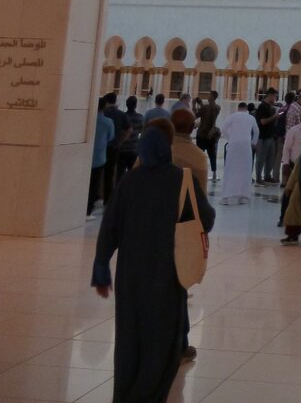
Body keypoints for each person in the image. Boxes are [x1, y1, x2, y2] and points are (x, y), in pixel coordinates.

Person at [91, 123, 215, 402]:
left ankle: (125, 394)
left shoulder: (128, 181)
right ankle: (148, 394)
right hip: (166, 274)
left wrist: (100, 267)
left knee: (129, 337)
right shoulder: (181, 180)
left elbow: (109, 227)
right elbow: (206, 220)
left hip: (130, 276)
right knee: (163, 340)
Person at [219, 102, 258, 205]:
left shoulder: (232, 116)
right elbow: (256, 131)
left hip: (233, 145)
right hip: (246, 146)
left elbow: (223, 129)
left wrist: (230, 138)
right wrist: (253, 143)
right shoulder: (250, 118)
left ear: (238, 108)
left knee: (230, 169)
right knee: (245, 169)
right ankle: (244, 195)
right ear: (246, 109)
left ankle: (227, 195)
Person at [171, 107, 210, 194]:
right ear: (193, 127)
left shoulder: (155, 151)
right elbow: (201, 195)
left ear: (171, 125)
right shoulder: (199, 157)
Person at [88, 98, 115, 218]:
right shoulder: (108, 122)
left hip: (86, 156)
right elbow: (111, 137)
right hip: (99, 157)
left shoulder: (89, 119)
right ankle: (88, 210)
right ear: (105, 106)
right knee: (95, 183)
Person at [102, 92, 127, 203]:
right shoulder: (121, 114)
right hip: (114, 148)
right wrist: (120, 141)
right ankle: (107, 199)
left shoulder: (103, 113)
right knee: (110, 173)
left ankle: (96, 196)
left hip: (101, 148)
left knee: (97, 173)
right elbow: (129, 129)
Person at [115, 96, 144, 183]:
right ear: (135, 105)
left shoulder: (122, 117)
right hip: (134, 149)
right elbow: (141, 130)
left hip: (122, 149)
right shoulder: (140, 117)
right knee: (133, 174)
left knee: (119, 173)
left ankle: (118, 190)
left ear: (126, 105)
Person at [254, 88, 279, 184]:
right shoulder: (262, 107)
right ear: (270, 95)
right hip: (263, 136)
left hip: (270, 135)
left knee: (270, 157)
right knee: (261, 157)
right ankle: (259, 177)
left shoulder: (270, 107)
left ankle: (267, 175)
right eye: (275, 96)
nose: (275, 98)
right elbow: (262, 121)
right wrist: (274, 117)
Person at [196, 91, 221, 179]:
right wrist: (202, 104)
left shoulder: (205, 107)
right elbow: (209, 110)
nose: (208, 96)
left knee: (199, 154)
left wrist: (196, 105)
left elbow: (196, 115)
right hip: (211, 135)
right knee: (212, 154)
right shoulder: (218, 107)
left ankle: (198, 171)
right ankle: (214, 173)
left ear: (211, 96)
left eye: (209, 95)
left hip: (202, 134)